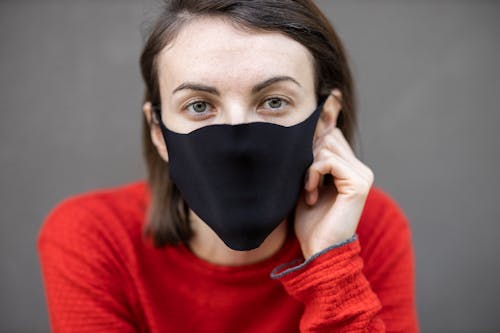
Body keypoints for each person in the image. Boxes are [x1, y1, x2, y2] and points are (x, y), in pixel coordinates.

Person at [37, 0, 420, 332]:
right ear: (159, 132)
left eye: (273, 101)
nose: (237, 137)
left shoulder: (368, 228)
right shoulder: (93, 239)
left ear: (324, 120)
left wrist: (332, 264)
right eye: (200, 105)